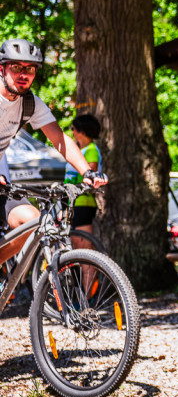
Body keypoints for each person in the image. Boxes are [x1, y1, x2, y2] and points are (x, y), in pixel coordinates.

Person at [0, 39, 107, 268]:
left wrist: (87, 171)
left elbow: (59, 139)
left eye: (29, 69)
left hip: (1, 180)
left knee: (32, 223)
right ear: (2, 68)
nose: (23, 74)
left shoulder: (30, 104)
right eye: (16, 67)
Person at [64, 114, 103, 250]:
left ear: (82, 131)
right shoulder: (79, 150)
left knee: (83, 245)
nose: (72, 132)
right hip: (74, 201)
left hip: (84, 201)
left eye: (74, 128)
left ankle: (90, 271)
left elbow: (91, 173)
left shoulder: (91, 149)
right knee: (75, 243)